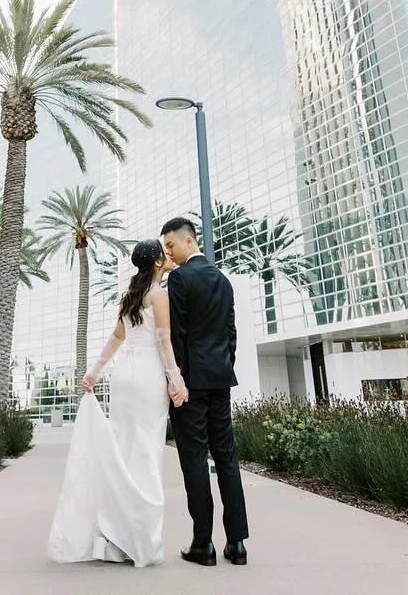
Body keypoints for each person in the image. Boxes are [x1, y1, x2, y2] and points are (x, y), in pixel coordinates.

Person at [46, 239, 188, 567]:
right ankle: (138, 541)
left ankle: (116, 537)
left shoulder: (130, 298)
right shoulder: (158, 294)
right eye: (164, 254)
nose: (168, 257)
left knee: (125, 451)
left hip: (123, 378)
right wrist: (176, 379)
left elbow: (115, 340)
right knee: (146, 454)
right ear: (155, 263)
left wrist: (93, 374)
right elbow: (164, 341)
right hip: (148, 377)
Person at [161, 215, 250, 566]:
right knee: (226, 458)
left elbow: (178, 335)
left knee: (195, 460)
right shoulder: (222, 280)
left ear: (188, 241)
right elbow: (231, 333)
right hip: (220, 380)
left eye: (170, 245)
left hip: (191, 385)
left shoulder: (180, 278)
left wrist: (176, 379)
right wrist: (223, 364)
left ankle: (203, 544)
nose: (167, 252)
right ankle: (237, 544)